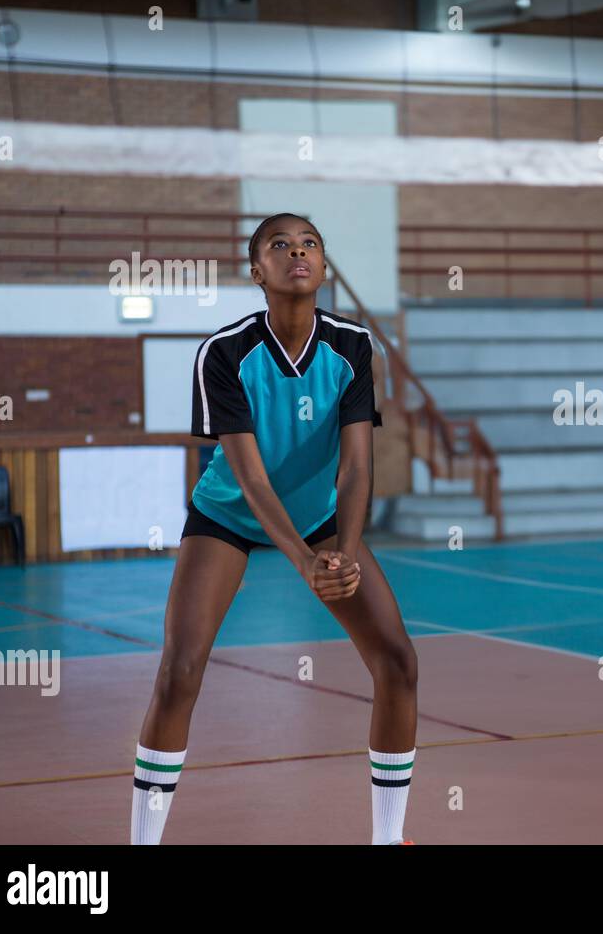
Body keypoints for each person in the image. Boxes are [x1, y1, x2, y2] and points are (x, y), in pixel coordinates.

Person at [130, 213, 417, 845]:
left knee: (397, 661)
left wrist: (342, 553)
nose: (298, 253)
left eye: (310, 243)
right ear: (256, 270)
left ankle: (388, 838)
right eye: (280, 245)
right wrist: (304, 563)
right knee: (180, 669)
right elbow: (254, 481)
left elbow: (358, 466)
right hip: (229, 515)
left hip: (318, 518)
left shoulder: (352, 347)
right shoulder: (226, 353)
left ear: (323, 264)